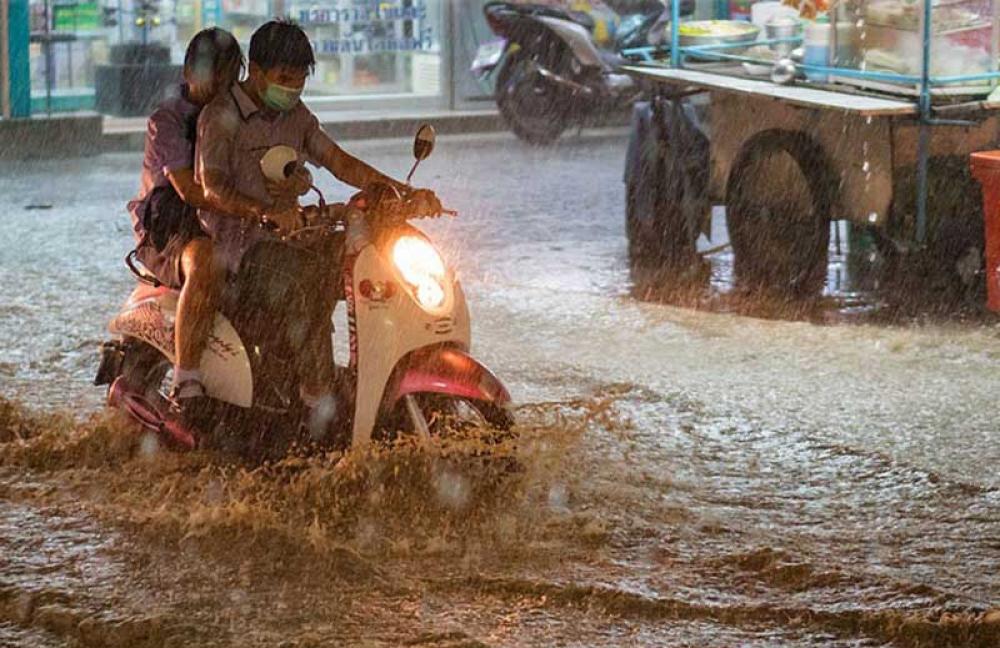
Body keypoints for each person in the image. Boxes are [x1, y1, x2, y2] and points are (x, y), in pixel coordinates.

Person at [195, 19, 439, 430]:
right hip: (241, 252)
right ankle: (318, 399)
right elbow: (211, 187)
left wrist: (401, 193)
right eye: (283, 79)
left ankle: (372, 379)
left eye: (300, 81)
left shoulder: (297, 116)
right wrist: (263, 213)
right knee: (308, 278)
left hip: (293, 240)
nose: (292, 89)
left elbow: (338, 161)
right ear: (255, 72)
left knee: (366, 261)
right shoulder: (220, 117)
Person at [127, 28, 243, 421]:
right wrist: (252, 206)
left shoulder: (241, 115)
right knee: (207, 263)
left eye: (229, 77)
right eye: (213, 75)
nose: (219, 87)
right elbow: (190, 190)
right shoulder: (168, 120)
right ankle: (186, 378)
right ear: (188, 71)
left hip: (226, 217)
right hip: (171, 224)